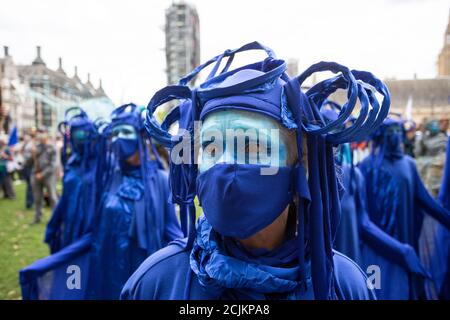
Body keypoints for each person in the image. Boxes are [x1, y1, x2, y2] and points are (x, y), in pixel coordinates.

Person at [121, 42, 390, 300]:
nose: (224, 166)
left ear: (301, 167)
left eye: (251, 146)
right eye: (211, 149)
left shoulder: (344, 285)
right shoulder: (157, 283)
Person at [86, 103, 183, 299]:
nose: (118, 138)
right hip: (109, 269)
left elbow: (172, 231)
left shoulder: (160, 180)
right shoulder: (110, 177)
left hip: (142, 269)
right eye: (115, 133)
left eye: (125, 132)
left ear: (140, 137)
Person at [358, 118, 450, 299]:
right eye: (389, 132)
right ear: (381, 136)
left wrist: (447, 219)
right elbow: (363, 216)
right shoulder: (366, 167)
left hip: (406, 242)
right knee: (378, 290)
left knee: (405, 290)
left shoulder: (409, 164)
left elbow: (426, 201)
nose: (395, 136)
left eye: (397, 131)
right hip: (377, 247)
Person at [44, 108, 100, 253]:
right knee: (72, 271)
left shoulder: (103, 165)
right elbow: (65, 197)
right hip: (70, 226)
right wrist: (53, 225)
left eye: (82, 132)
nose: (78, 137)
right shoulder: (71, 163)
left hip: (93, 232)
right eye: (75, 133)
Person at [24, 129, 58, 224]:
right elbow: (27, 162)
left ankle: (55, 219)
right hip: (35, 175)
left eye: (43, 133)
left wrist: (42, 174)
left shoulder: (52, 147)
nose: (41, 136)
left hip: (48, 176)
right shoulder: (35, 147)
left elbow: (53, 165)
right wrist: (32, 153)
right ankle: (37, 217)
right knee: (37, 198)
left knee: (52, 197)